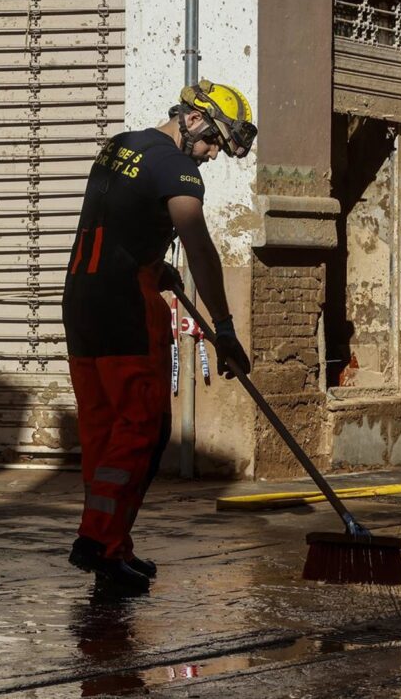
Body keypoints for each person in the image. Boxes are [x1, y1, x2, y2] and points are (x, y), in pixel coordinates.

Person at [61, 79, 257, 595]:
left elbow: (120, 223)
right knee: (143, 428)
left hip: (81, 302)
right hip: (123, 308)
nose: (212, 154)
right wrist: (226, 328)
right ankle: (97, 541)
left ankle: (112, 548)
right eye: (214, 140)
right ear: (193, 119)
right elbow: (199, 246)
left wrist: (153, 267)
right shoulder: (178, 167)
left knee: (103, 432)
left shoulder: (120, 146)